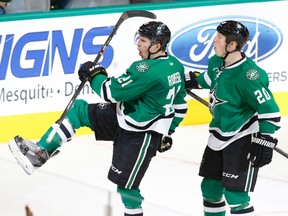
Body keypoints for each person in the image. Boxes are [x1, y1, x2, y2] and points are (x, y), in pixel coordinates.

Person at [9, 21, 188, 216]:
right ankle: (41, 152)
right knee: (79, 111)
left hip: (140, 135)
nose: (138, 44)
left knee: (127, 189)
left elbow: (110, 92)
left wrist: (94, 73)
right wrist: (169, 131)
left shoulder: (146, 69)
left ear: (157, 45)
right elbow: (180, 105)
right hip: (124, 115)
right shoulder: (175, 66)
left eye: (143, 41)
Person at [185, 20, 281, 215]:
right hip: (218, 134)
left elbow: (270, 110)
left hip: (242, 136)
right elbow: (210, 79)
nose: (214, 40)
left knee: (236, 196)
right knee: (210, 190)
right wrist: (192, 80)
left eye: (219, 37)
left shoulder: (248, 75)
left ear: (232, 45)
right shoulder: (216, 62)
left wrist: (265, 140)